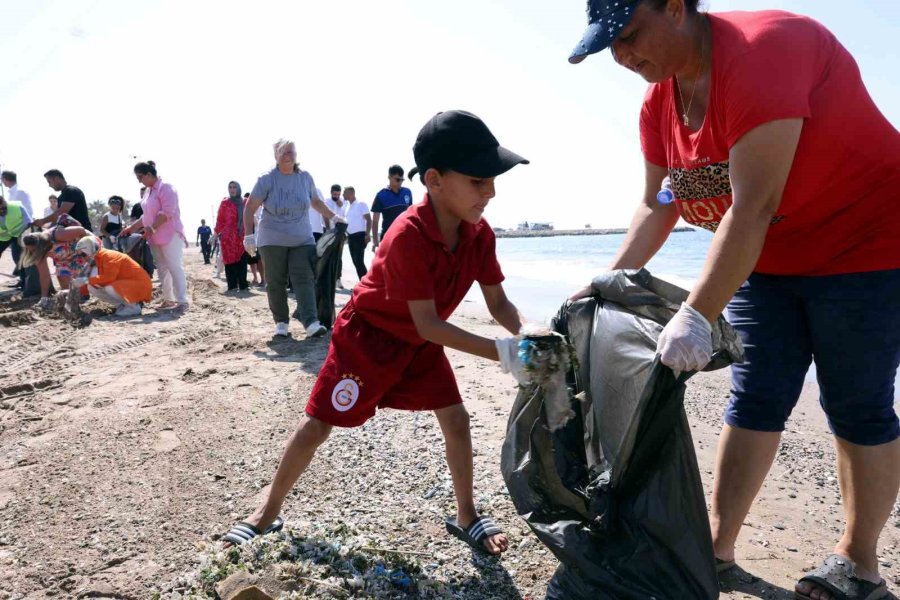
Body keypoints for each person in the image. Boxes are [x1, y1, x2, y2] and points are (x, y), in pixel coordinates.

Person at [567, 2, 900, 598]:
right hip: (769, 255)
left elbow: (752, 204)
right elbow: (659, 203)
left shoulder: (761, 51)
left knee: (856, 402)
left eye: (629, 35)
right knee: (756, 395)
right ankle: (716, 548)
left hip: (869, 243)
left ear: (675, 8)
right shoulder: (659, 102)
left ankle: (859, 564)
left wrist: (696, 313)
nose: (620, 55)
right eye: (608, 47)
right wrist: (601, 287)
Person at [221, 110, 530, 556]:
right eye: (479, 179)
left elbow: (498, 304)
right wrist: (505, 354)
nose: (491, 190)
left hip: (420, 343)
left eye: (493, 180)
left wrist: (530, 333)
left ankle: (466, 515)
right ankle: (265, 512)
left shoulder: (479, 236)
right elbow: (429, 322)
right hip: (370, 337)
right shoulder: (408, 234)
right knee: (318, 424)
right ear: (434, 180)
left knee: (457, 420)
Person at [243, 139, 344, 338]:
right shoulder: (266, 179)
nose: (289, 154)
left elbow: (315, 201)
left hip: (302, 238)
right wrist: (249, 235)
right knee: (276, 281)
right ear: (276, 156)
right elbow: (250, 206)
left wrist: (334, 216)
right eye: (284, 151)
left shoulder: (304, 177)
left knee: (304, 278)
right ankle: (281, 322)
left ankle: (311, 322)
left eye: (292, 151)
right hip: (272, 239)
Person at [120, 161, 188, 311]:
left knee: (174, 266)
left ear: (149, 174)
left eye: (140, 177)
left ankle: (182, 301)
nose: (139, 181)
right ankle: (168, 299)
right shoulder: (148, 191)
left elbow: (167, 213)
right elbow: (146, 216)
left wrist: (151, 228)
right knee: (162, 268)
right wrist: (131, 228)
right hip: (154, 237)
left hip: (169, 234)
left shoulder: (166, 188)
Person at [20, 215, 99, 306]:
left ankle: (84, 295)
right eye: (31, 251)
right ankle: (72, 298)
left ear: (42, 244)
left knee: (85, 275)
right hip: (64, 258)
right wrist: (44, 298)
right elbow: (44, 275)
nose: (34, 253)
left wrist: (88, 251)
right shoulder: (37, 253)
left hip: (83, 249)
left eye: (35, 250)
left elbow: (80, 230)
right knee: (62, 276)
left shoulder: (58, 234)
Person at [71, 236, 152, 317]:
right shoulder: (98, 257)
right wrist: (81, 291)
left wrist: (85, 281)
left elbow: (108, 278)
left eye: (83, 254)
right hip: (130, 284)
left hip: (140, 286)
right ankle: (122, 305)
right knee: (92, 287)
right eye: (79, 255)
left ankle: (133, 307)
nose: (82, 257)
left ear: (89, 250)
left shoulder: (109, 256)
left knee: (109, 287)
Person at [214, 181, 250, 292]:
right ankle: (232, 285)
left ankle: (243, 285)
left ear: (238, 188)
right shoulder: (224, 202)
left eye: (234, 187)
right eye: (230, 187)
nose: (232, 189)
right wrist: (215, 234)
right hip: (227, 238)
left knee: (242, 261)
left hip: (241, 236)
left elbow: (250, 218)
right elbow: (220, 220)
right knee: (229, 261)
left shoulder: (245, 202)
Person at [371, 165, 413, 250]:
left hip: (405, 235)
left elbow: (411, 214)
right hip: (388, 236)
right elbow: (375, 221)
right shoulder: (381, 195)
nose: (400, 182)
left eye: (402, 180)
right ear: (389, 177)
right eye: (397, 179)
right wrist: (375, 241)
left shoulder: (407, 192)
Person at [0, 196, 33, 291]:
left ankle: (24, 284)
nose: (2, 211)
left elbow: (28, 222)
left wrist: (17, 233)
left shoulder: (17, 207)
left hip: (18, 234)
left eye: (3, 208)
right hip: (3, 236)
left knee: (18, 258)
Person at [342, 186, 372, 281]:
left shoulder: (361, 204)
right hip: (351, 237)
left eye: (345, 192)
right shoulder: (347, 206)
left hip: (360, 236)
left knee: (359, 261)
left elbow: (369, 219)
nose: (343, 194)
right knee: (355, 262)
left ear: (351, 193)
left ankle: (366, 283)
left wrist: (367, 234)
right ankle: (363, 282)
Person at [326, 184, 347, 289]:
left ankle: (338, 279)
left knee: (339, 256)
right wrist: (327, 230)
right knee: (328, 256)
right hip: (329, 231)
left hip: (340, 231)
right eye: (335, 194)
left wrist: (340, 203)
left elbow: (344, 216)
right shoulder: (326, 202)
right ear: (331, 192)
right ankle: (328, 279)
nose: (336, 196)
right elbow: (325, 216)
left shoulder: (343, 202)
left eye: (338, 194)